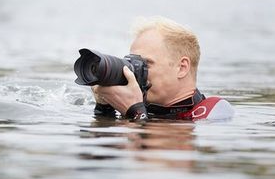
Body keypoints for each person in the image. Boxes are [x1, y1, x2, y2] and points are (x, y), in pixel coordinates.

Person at [92, 16, 233, 121]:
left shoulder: (214, 111)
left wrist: (135, 111)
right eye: (133, 63)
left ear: (182, 68)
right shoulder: (143, 107)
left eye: (145, 64)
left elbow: (172, 145)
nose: (135, 73)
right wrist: (105, 108)